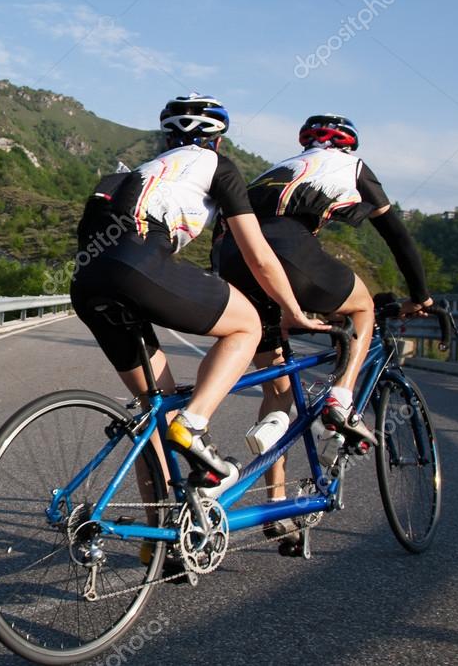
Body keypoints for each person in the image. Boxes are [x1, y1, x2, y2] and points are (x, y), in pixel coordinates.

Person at [70, 94, 329, 497]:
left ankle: (158, 541)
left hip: (86, 281)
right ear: (219, 141)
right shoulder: (218, 167)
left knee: (155, 409)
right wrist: (292, 310)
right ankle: (193, 425)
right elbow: (257, 255)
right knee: (248, 325)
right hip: (138, 264)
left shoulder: (133, 173)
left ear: (166, 138)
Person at [211, 113, 433, 536]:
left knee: (277, 389)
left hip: (231, 259)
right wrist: (420, 296)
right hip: (285, 251)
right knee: (362, 306)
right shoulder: (353, 167)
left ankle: (276, 506)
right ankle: (342, 398)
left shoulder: (273, 172)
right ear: (349, 146)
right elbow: (398, 237)